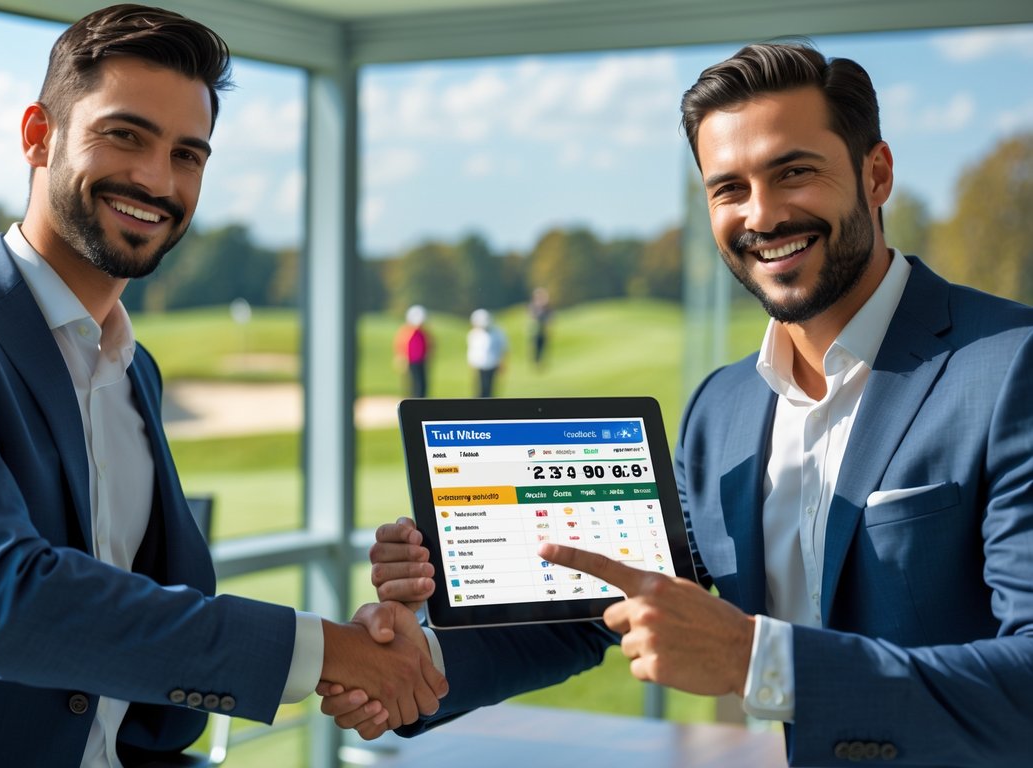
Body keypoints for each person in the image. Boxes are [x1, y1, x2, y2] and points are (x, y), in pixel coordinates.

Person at [326, 41, 1033, 766]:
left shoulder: (1013, 365)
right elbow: (590, 610)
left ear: (874, 173)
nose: (762, 215)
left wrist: (754, 660)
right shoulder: (720, 410)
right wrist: (416, 662)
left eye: (793, 172)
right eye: (728, 188)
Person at [0, 6, 444, 767]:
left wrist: (365, 655)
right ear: (37, 135)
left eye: (188, 155)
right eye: (124, 135)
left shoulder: (136, 371)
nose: (157, 179)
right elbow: (9, 606)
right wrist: (325, 651)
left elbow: (132, 630)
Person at [465, 308, 506, 397]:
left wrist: (502, 362)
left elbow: (502, 348)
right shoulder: (473, 334)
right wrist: (471, 364)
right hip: (478, 365)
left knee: (488, 389)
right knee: (478, 390)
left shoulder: (497, 332)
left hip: (492, 364)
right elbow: (472, 351)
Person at [394, 304, 431, 398]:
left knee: (422, 383)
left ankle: (421, 401)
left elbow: (428, 346)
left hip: (421, 360)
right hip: (411, 361)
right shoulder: (407, 332)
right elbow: (401, 346)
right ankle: (415, 401)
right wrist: (401, 358)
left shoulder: (422, 333)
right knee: (414, 383)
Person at [527, 287, 552, 370]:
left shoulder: (546, 307)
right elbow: (531, 317)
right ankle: (535, 364)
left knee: (543, 348)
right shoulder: (533, 306)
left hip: (543, 332)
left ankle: (541, 364)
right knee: (535, 348)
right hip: (535, 332)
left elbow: (550, 319)